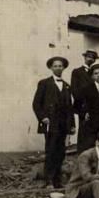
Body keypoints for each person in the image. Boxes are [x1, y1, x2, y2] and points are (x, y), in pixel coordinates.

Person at [32, 56, 76, 188]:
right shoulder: (44, 83)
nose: (58, 68)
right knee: (51, 150)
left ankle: (57, 180)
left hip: (63, 124)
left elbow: (70, 107)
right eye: (55, 66)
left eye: (60, 66)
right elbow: (36, 104)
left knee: (61, 152)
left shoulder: (67, 86)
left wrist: (72, 125)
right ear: (51, 68)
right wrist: (42, 117)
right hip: (51, 123)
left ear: (63, 68)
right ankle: (49, 180)